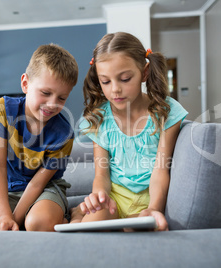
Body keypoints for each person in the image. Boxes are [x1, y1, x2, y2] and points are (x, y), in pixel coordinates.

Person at [70, 32, 188, 231]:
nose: (115, 89)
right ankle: (79, 215)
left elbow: (161, 169)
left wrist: (154, 208)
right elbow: (102, 174)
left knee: (134, 228)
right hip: (113, 197)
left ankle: (78, 213)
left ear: (144, 72)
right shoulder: (100, 118)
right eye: (105, 82)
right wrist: (100, 196)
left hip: (148, 198)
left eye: (125, 79)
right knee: (90, 227)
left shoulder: (165, 111)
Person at [0, 44, 78, 231]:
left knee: (36, 223)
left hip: (46, 189)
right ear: (25, 83)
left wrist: (14, 220)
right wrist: (4, 217)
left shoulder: (64, 134)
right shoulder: (2, 109)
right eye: (45, 93)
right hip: (9, 190)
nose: (52, 104)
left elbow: (38, 183)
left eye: (62, 98)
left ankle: (61, 217)